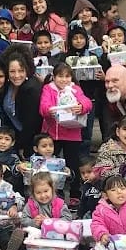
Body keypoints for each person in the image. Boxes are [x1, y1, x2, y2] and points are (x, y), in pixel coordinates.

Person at [39, 62, 92, 206]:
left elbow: (87, 103)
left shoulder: (75, 89)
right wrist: (49, 110)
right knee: (50, 164)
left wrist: (81, 107)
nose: (64, 80)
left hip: (72, 133)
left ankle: (75, 193)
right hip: (52, 134)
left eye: (67, 76)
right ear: (54, 77)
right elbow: (43, 107)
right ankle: (53, 191)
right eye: (60, 76)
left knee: (73, 164)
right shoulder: (48, 89)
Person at [65, 25, 104, 155]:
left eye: (81, 38)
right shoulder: (64, 58)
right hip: (69, 100)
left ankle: (84, 160)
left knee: (86, 132)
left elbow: (100, 81)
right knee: (70, 130)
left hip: (89, 99)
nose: (78, 41)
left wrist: (101, 77)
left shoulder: (93, 57)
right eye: (75, 38)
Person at [0, 46, 43, 159]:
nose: (17, 75)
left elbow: (31, 124)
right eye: (12, 71)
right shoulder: (7, 86)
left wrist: (21, 146)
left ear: (27, 70)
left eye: (21, 71)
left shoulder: (32, 89)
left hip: (32, 143)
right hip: (15, 138)